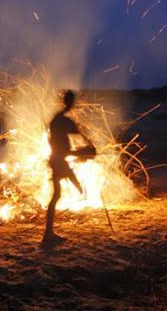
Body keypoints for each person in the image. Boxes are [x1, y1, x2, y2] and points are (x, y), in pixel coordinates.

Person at [43, 90, 95, 245]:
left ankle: (49, 233)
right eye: (72, 101)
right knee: (57, 195)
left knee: (56, 195)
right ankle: (48, 234)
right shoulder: (60, 121)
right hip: (58, 160)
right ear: (69, 102)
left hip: (58, 160)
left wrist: (86, 149)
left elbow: (78, 134)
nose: (74, 104)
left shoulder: (59, 119)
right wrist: (85, 151)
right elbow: (64, 147)